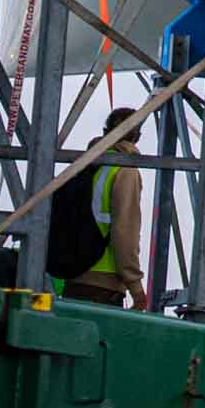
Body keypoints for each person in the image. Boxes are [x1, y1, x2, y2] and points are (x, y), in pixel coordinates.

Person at [62, 107, 151, 310]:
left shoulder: (88, 164)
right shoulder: (125, 170)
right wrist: (136, 288)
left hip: (74, 276)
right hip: (103, 284)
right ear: (137, 136)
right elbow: (124, 232)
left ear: (105, 131)